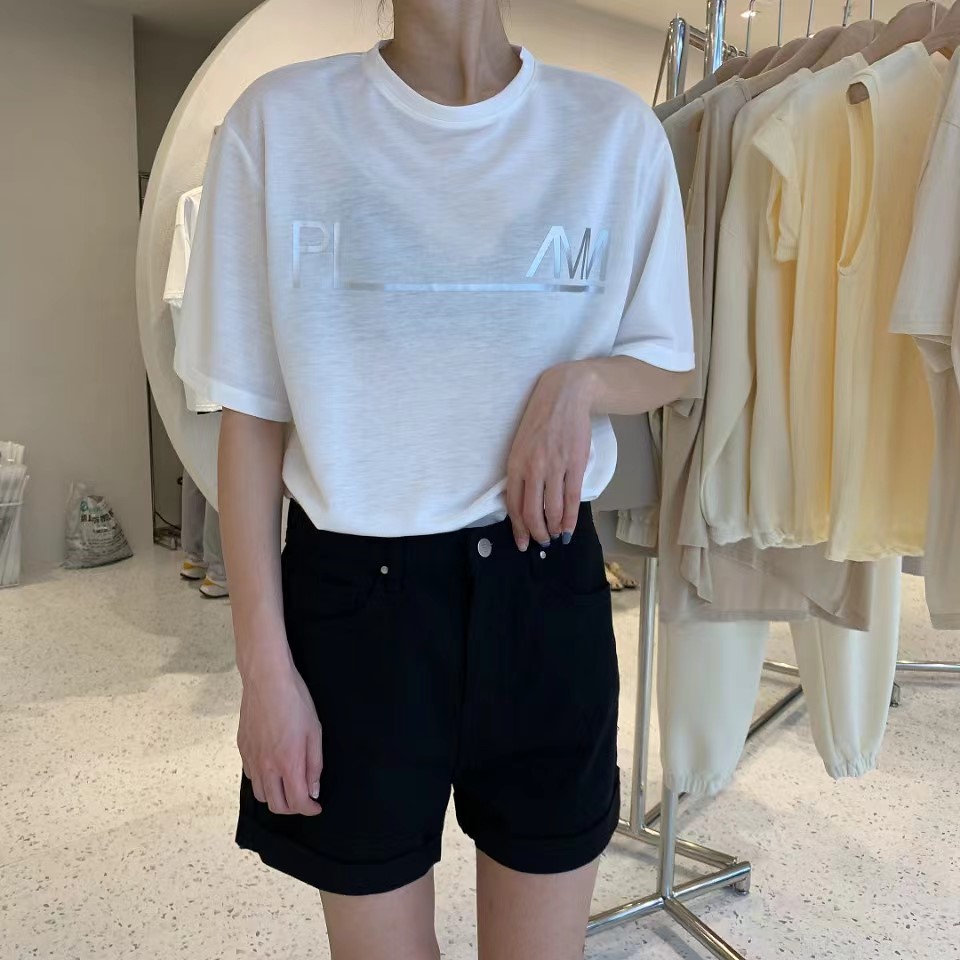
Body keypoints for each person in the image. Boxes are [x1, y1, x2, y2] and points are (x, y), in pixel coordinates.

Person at [174, 0, 694, 956]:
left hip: (545, 593)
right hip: (355, 610)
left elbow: (668, 356)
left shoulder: (612, 132)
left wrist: (580, 384)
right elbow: (250, 419)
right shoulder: (278, 125)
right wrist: (264, 671)